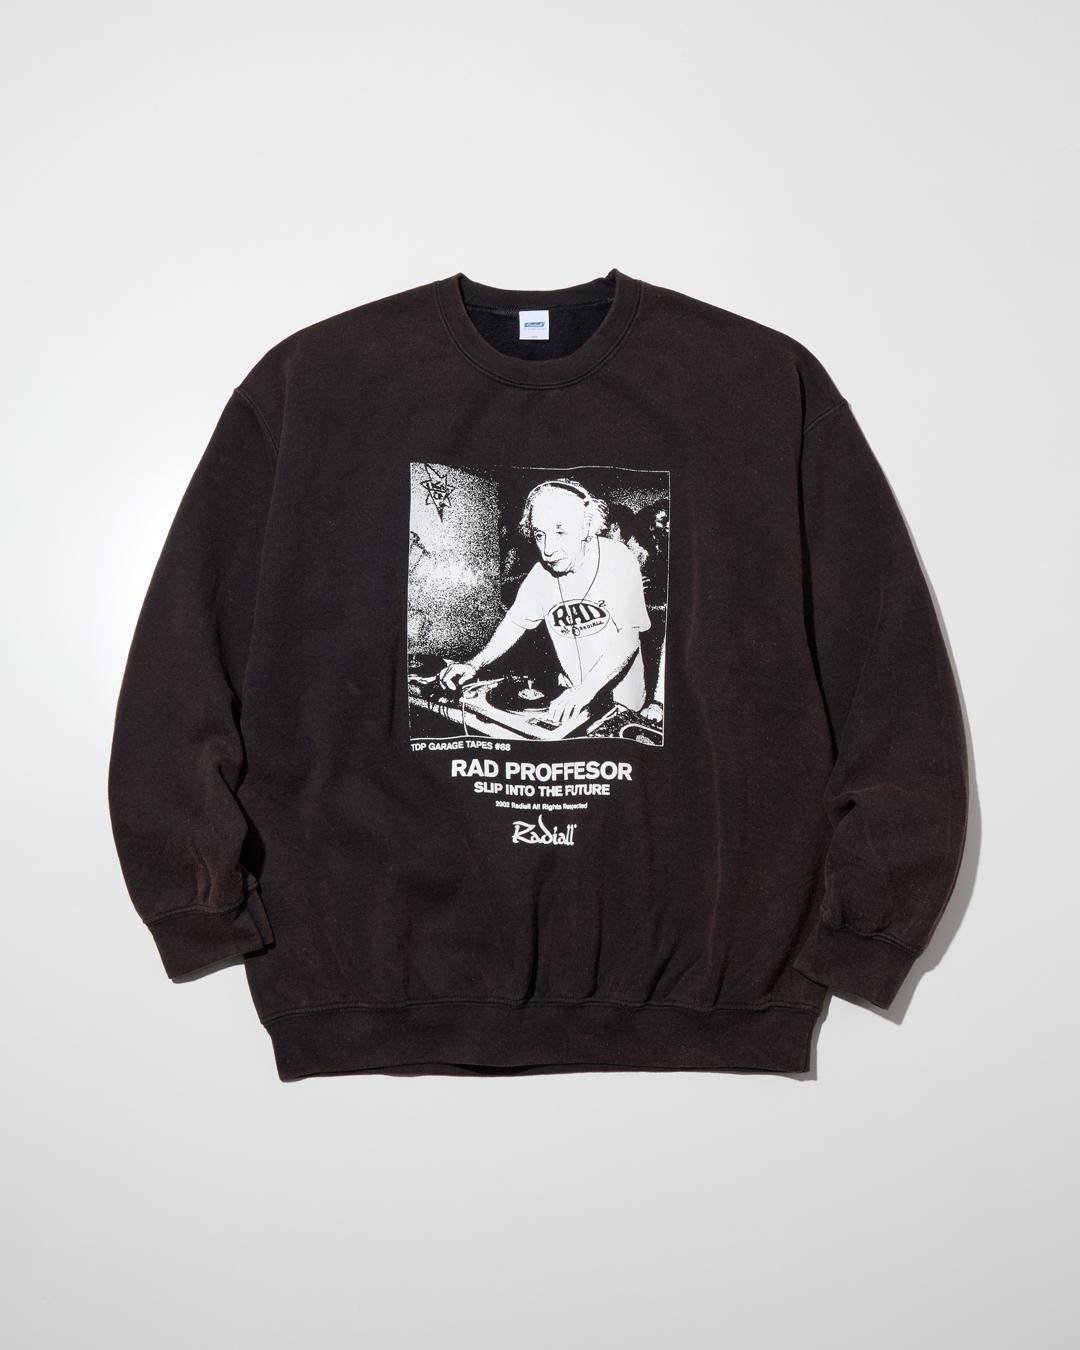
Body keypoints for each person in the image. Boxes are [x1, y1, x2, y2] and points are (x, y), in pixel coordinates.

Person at [438, 478, 651, 724]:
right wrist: (474, 665)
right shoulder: (541, 573)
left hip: (621, 701)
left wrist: (585, 691)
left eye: (560, 532)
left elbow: (628, 637)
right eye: (540, 535)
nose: (548, 549)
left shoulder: (618, 558)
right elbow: (515, 623)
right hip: (572, 695)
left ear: (586, 526)